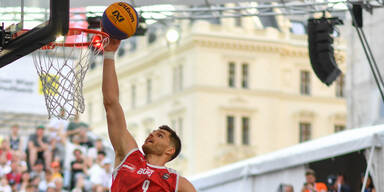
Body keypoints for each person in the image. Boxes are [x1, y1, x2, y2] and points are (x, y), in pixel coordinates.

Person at [102, 37, 196, 191]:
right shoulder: (129, 155)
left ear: (170, 150)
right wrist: (109, 54)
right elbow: (111, 104)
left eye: (160, 135)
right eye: (153, 133)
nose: (151, 135)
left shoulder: (177, 182)